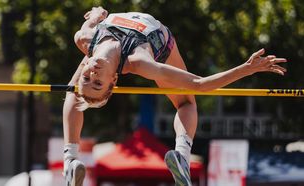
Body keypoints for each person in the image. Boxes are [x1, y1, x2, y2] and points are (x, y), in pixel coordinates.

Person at [62, 6, 287, 186]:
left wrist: (97, 13)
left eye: (88, 79)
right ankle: (181, 155)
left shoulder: (84, 37)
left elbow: (95, 15)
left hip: (109, 35)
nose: (92, 74)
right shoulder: (140, 62)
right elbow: (199, 83)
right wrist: (245, 68)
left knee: (73, 89)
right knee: (186, 101)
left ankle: (69, 160)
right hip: (158, 37)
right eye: (98, 83)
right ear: (113, 81)